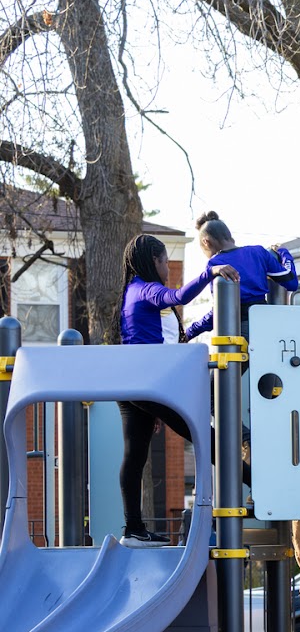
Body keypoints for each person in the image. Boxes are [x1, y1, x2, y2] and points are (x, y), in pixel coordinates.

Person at [118, 234, 240, 547]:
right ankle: (257, 482)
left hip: (134, 384)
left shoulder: (131, 291)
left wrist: (150, 405)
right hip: (148, 384)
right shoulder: (146, 289)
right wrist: (210, 272)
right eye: (164, 262)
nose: (167, 268)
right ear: (152, 262)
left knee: (135, 455)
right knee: (205, 434)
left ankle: (133, 529)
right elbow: (180, 297)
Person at [187, 211, 298, 337]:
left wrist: (190, 331)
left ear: (206, 242)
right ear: (230, 237)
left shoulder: (216, 264)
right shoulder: (258, 252)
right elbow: (291, 282)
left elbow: (219, 310)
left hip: (239, 329)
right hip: (267, 324)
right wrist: (284, 253)